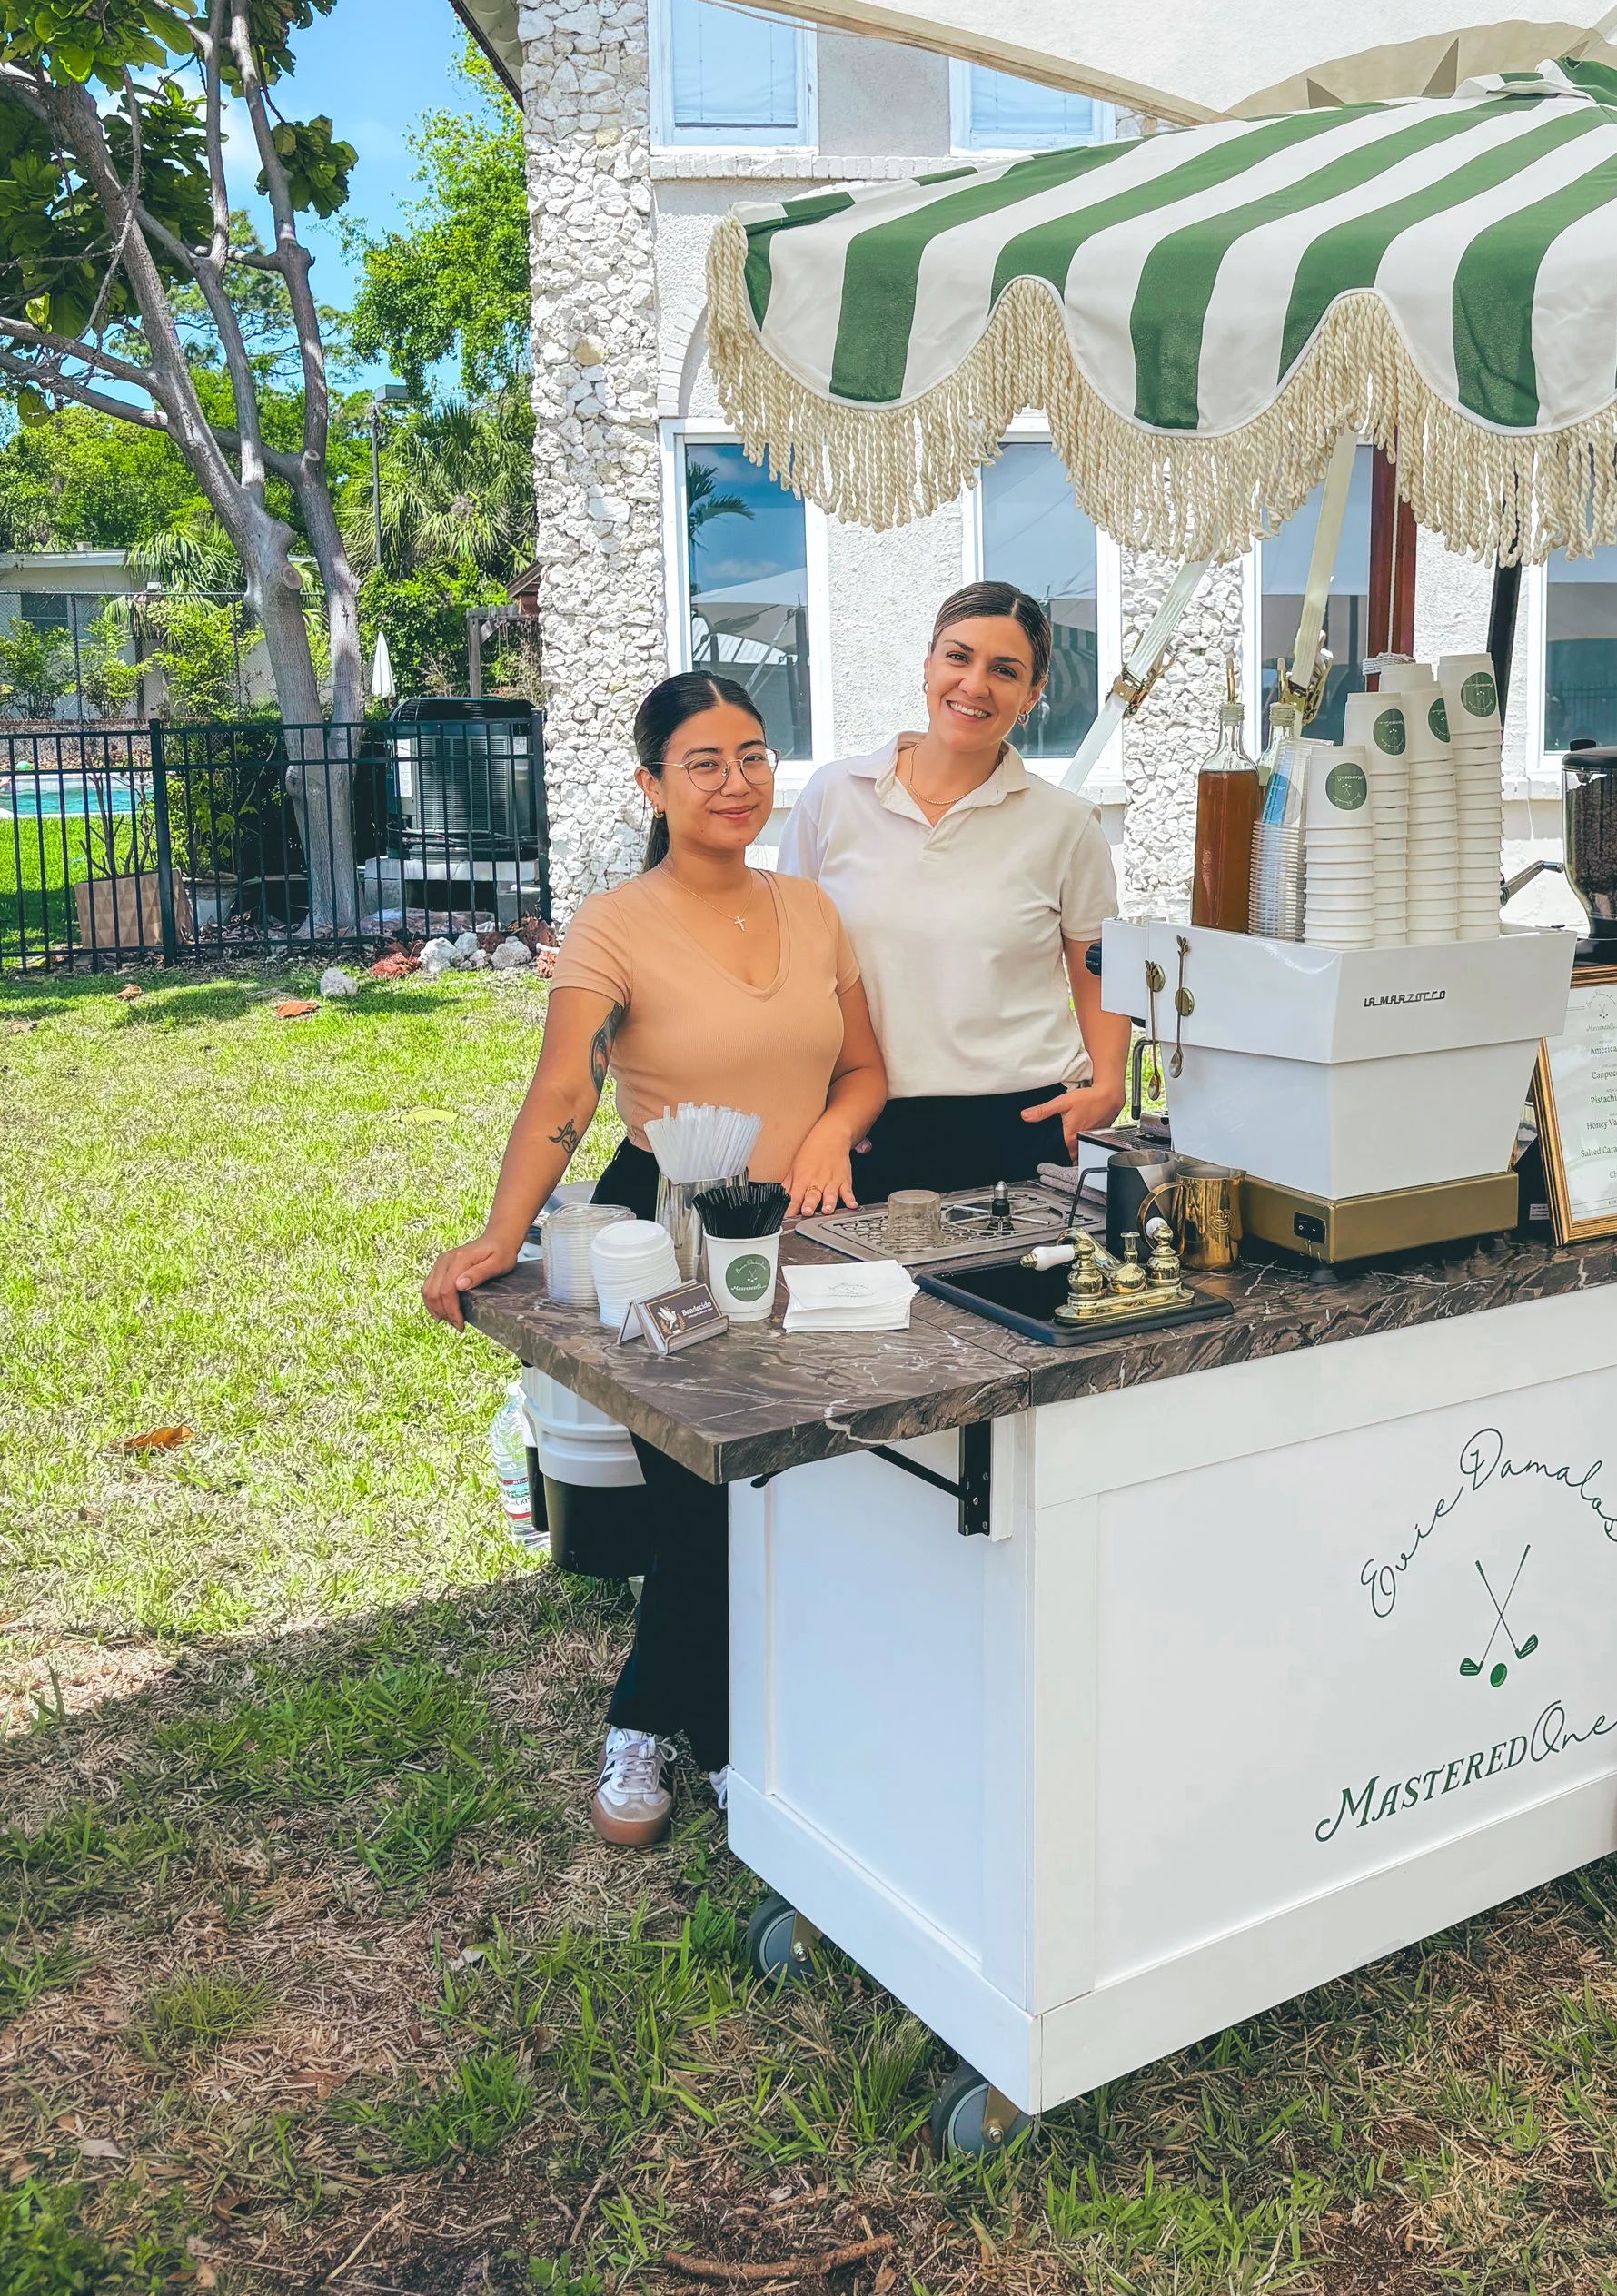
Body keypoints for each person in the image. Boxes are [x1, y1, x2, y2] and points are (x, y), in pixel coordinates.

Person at [422, 669, 887, 1847]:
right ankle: (686, 1736)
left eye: (751, 755)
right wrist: (497, 1230)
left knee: (801, 1484)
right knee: (700, 1494)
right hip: (664, 1232)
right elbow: (565, 1089)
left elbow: (862, 1068)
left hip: (808, 1225)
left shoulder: (815, 910)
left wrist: (833, 1131)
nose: (735, 782)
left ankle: (737, 1714)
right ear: (653, 783)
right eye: (703, 762)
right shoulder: (613, 924)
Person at [779, 581, 1130, 1199]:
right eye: (958, 656)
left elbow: (1097, 967)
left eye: (1005, 670)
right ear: (927, 663)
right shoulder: (833, 797)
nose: (974, 684)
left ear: (1032, 695)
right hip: (867, 1125)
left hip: (1025, 1126)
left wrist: (1109, 1083)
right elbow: (791, 965)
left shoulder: (1066, 824)